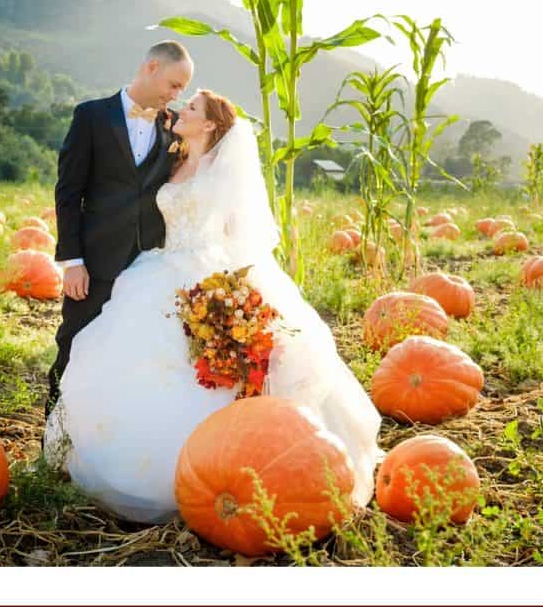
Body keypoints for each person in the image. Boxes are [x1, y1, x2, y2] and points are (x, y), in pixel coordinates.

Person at [44, 89, 383, 523]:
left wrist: (236, 292)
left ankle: (231, 465)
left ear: (208, 125)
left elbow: (241, 237)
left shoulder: (224, 175)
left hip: (207, 269)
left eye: (191, 108)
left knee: (213, 366)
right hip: (157, 268)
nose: (180, 109)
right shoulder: (170, 159)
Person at [48, 41, 192, 419]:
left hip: (148, 265)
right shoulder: (92, 116)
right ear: (152, 67)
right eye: (175, 84)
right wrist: (73, 261)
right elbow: (68, 192)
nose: (178, 95)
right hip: (94, 261)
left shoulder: (175, 126)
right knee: (74, 345)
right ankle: (54, 435)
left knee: (131, 357)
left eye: (182, 89)